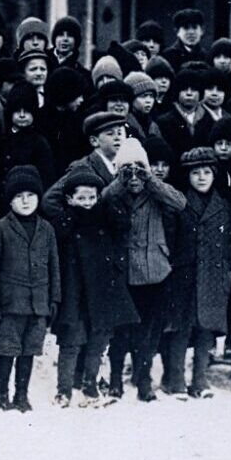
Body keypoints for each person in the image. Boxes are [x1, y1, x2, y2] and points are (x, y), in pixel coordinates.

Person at [103, 138, 186, 400]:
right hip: (125, 271)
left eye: (139, 170)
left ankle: (144, 381)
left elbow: (180, 202)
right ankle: (116, 378)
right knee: (121, 331)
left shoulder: (156, 192)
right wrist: (121, 178)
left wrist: (149, 178)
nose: (134, 177)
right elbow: (103, 200)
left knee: (149, 332)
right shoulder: (115, 193)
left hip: (155, 270)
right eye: (128, 170)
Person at [50, 170, 139, 407]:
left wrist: (109, 202)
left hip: (101, 293)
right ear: (69, 199)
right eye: (81, 199)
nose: (87, 204)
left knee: (97, 343)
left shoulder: (105, 217)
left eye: (92, 198)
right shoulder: (64, 222)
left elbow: (123, 224)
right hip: (74, 294)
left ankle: (90, 386)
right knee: (71, 342)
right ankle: (64, 390)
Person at [0, 166, 60, 412]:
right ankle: (2, 392)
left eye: (31, 195)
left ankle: (22, 394)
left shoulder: (47, 230)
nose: (25, 201)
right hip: (9, 305)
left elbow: (54, 267)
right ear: (10, 200)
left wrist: (54, 299)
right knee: (8, 351)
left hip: (38, 303)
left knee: (28, 352)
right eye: (19, 196)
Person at [162, 147, 231, 398]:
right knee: (180, 329)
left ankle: (200, 380)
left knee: (206, 329)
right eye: (196, 173)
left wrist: (227, 271)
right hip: (184, 276)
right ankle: (175, 381)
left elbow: (230, 243)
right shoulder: (179, 205)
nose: (202, 177)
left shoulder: (224, 207)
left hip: (213, 277)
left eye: (207, 172)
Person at [41, 111, 127, 216]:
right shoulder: (83, 166)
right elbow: (49, 200)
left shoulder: (125, 165)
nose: (117, 138)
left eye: (120, 133)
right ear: (94, 141)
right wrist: (72, 222)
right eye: (110, 134)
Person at [0, 82, 57, 191]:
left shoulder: (39, 142)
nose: (22, 115)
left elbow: (47, 177)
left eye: (26, 111)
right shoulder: (1, 139)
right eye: (17, 111)